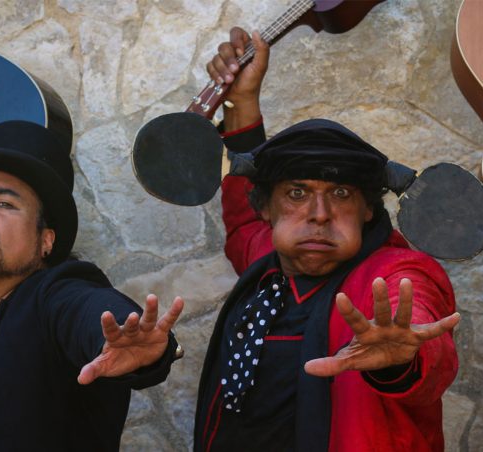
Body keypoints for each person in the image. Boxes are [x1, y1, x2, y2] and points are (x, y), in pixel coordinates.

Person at [193, 29, 460, 451]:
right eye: (297, 193)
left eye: (340, 193)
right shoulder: (269, 258)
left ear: (368, 209)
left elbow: (419, 327)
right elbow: (243, 223)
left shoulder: (399, 272)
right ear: (267, 208)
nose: (319, 213)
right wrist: (241, 101)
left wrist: (401, 359)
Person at [0, 120, 185, 451]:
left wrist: (123, 337)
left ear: (46, 240)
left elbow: (86, 308)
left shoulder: (52, 299)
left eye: (4, 203)